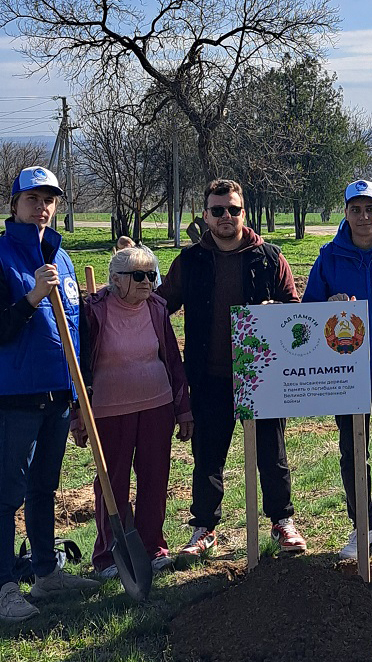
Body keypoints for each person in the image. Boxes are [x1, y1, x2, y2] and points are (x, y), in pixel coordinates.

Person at [158, 178, 306, 556]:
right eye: (218, 210)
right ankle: (204, 528)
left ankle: (283, 522)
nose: (227, 216)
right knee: (207, 457)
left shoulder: (270, 258)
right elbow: (160, 306)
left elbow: (295, 311)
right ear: (206, 215)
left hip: (262, 377)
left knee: (272, 455)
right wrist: (120, 297)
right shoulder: (189, 261)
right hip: (209, 376)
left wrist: (279, 312)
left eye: (234, 209)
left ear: (244, 213)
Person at [0, 166, 99, 622]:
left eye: (49, 200)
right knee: (7, 494)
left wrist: (80, 392)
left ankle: (45, 572)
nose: (42, 207)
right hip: (16, 395)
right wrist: (33, 297)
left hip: (58, 394)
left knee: (44, 486)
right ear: (14, 204)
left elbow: (75, 330)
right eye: (33, 199)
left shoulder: (63, 258)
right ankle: (5, 585)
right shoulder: (3, 256)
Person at [303, 180, 372, 559]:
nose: (364, 216)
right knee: (353, 452)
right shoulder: (330, 257)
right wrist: (329, 307)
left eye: (371, 208)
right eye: (356, 209)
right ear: (346, 213)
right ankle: (362, 526)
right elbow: (308, 311)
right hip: (345, 377)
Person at [71, 246, 193, 577]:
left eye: (151, 275)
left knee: (155, 477)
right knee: (112, 483)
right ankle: (109, 555)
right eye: (138, 276)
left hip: (157, 405)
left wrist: (183, 409)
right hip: (109, 410)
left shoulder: (157, 308)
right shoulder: (94, 311)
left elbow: (172, 359)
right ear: (115, 279)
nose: (147, 282)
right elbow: (79, 365)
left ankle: (153, 548)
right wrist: (77, 413)